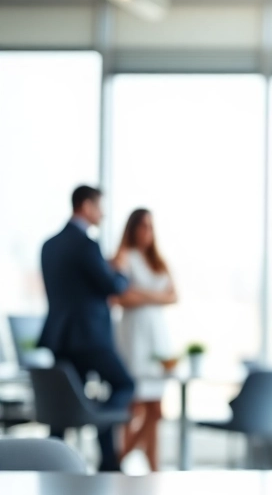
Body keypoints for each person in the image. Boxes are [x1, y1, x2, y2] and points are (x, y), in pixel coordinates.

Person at [38, 185, 135, 472]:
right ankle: (106, 458)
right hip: (90, 337)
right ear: (85, 205)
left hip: (60, 336)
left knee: (63, 404)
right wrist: (120, 270)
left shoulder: (49, 245)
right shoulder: (86, 245)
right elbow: (111, 286)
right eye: (99, 206)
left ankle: (52, 465)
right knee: (123, 384)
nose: (102, 213)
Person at [112, 208, 177, 473]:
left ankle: (151, 468)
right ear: (133, 228)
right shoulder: (124, 257)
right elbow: (119, 296)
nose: (147, 232)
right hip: (134, 338)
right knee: (134, 406)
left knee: (156, 410)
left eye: (151, 227)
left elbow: (174, 296)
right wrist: (154, 296)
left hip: (157, 338)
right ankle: (119, 464)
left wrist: (141, 293)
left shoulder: (158, 261)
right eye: (143, 226)